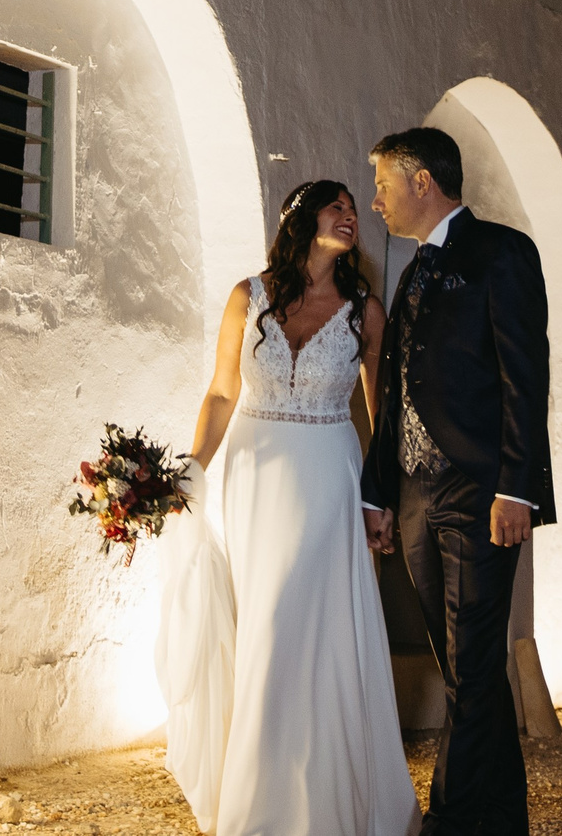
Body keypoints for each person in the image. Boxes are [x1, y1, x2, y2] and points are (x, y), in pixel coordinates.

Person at [156, 179, 421, 836]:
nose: (351, 216)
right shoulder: (248, 296)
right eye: (337, 206)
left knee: (297, 623)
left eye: (355, 209)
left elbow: (382, 414)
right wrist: (192, 467)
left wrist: (378, 493)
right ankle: (265, 791)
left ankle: (318, 799)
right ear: (301, 219)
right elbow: (221, 392)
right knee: (261, 625)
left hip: (327, 478)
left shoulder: (366, 310)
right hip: (252, 473)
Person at [362, 128, 555, 836]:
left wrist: (517, 486)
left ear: (422, 181)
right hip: (415, 497)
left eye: (384, 182)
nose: (376, 199)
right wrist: (378, 490)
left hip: (481, 493)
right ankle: (502, 819)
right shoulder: (411, 273)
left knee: (472, 667)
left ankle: (446, 822)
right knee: (463, 667)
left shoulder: (502, 251)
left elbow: (523, 376)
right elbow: (394, 393)